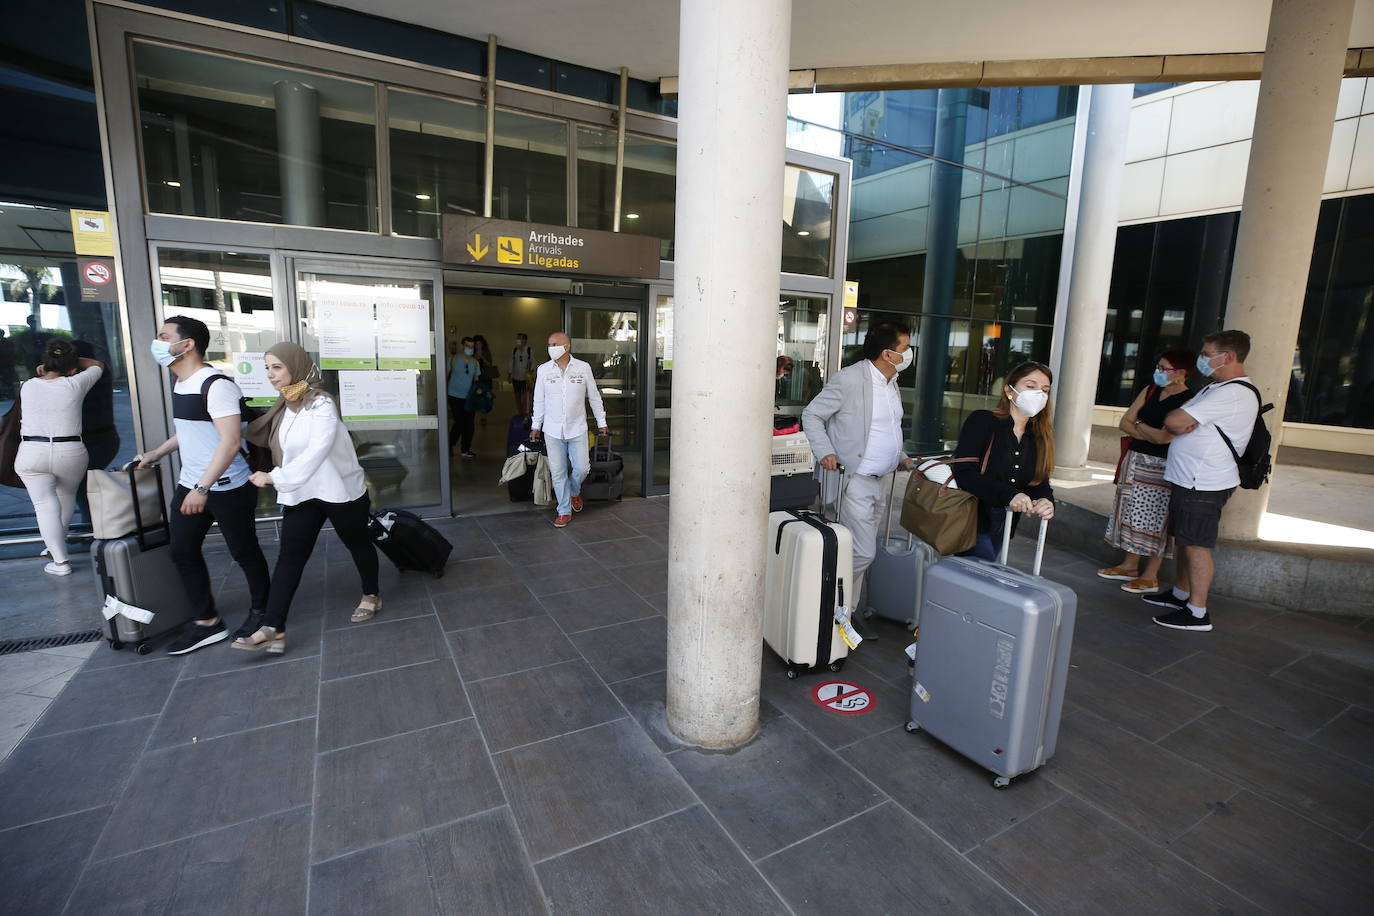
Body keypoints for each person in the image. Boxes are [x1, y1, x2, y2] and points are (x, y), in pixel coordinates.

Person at [135, 315, 270, 655]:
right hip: (192, 483)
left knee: (244, 552)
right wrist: (157, 452)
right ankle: (207, 622)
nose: (158, 342)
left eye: (164, 336)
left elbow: (228, 442)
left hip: (226, 487)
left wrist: (203, 488)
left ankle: (263, 612)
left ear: (187, 344)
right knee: (181, 551)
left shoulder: (217, 385)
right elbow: (192, 430)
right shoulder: (182, 383)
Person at [232, 343, 379, 654]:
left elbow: (317, 451)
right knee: (290, 557)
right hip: (303, 493)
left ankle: (371, 594)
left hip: (339, 491)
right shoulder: (285, 404)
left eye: (277, 367)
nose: (270, 374)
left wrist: (275, 477)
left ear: (295, 367)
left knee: (358, 544)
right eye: (268, 368)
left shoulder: (321, 404)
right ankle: (274, 627)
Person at [802, 321, 918, 641]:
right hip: (853, 480)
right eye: (906, 349)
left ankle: (846, 614)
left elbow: (885, 429)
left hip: (881, 481)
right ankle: (820, 598)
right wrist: (825, 451)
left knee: (857, 551)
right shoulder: (851, 379)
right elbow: (812, 415)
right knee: (863, 552)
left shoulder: (890, 382)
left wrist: (901, 456)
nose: (909, 354)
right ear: (887, 353)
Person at [1146, 330, 1260, 632]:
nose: (1203, 360)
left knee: (1196, 544)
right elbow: (1178, 419)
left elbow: (1173, 421)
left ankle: (1197, 612)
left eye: (1208, 354)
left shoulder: (1232, 392)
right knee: (1185, 539)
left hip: (1204, 481)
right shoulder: (1216, 387)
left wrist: (1185, 420)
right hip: (1191, 478)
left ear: (1229, 357)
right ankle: (1182, 594)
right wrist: (1185, 419)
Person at [1097, 348, 1196, 594]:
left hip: (1163, 467)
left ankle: (1150, 576)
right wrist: (1147, 430)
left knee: (1156, 519)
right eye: (1158, 367)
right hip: (1136, 459)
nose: (1158, 372)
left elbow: (1165, 439)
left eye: (1164, 369)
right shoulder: (1150, 390)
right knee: (1130, 510)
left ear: (1181, 373)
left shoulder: (1189, 401)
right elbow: (1124, 422)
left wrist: (1139, 426)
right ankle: (1130, 565)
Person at [14, 338, 105, 575]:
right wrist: (71, 362)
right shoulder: (76, 383)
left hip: (33, 451)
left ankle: (60, 560)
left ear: (45, 363)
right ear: (72, 369)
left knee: (44, 505)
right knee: (64, 498)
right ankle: (56, 551)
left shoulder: (28, 386)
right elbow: (98, 364)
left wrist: (51, 362)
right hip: (71, 451)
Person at [949, 361, 1056, 561]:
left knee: (979, 583)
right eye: (1030, 386)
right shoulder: (983, 421)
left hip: (1004, 523)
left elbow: (1039, 481)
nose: (1038, 394)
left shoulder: (1039, 436)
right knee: (981, 578)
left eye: (1045, 389)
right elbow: (964, 472)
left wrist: (1046, 500)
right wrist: (1010, 495)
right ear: (1009, 390)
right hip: (971, 518)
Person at [530, 331, 608, 528]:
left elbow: (594, 397)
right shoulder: (543, 370)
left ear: (567, 347)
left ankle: (574, 491)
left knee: (582, 468)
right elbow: (539, 400)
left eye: (555, 343)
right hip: (552, 430)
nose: (551, 347)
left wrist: (601, 422)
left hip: (577, 428)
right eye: (549, 343)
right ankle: (564, 511)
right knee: (558, 472)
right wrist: (535, 426)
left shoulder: (583, 368)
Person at [447, 335, 479, 459]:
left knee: (469, 424)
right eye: (467, 346)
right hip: (454, 396)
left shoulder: (475, 363)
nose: (470, 349)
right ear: (462, 346)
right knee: (459, 421)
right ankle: (449, 444)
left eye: (472, 347)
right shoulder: (453, 360)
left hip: (469, 398)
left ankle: (465, 449)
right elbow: (445, 375)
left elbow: (476, 380)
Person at [510, 332, 533, 415]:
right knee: (517, 395)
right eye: (517, 338)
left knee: (525, 396)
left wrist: (530, 372)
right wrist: (509, 373)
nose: (518, 340)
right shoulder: (514, 350)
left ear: (525, 340)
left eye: (520, 338)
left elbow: (533, 362)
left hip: (525, 378)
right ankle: (519, 412)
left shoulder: (529, 350)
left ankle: (525, 412)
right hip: (516, 377)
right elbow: (511, 362)